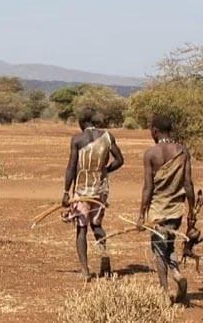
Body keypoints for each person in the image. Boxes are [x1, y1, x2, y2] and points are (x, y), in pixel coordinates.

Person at [137, 114, 195, 303]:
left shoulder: (151, 154)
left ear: (155, 130)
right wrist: (192, 210)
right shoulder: (182, 151)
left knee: (159, 250)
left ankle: (164, 292)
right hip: (176, 209)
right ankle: (177, 273)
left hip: (157, 210)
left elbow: (148, 188)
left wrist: (141, 214)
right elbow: (188, 184)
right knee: (168, 244)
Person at [61, 108, 125, 280]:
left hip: (82, 190)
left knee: (81, 229)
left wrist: (66, 192)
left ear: (81, 123)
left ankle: (85, 270)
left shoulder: (77, 139)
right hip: (100, 189)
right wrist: (104, 171)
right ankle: (104, 257)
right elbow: (120, 160)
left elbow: (71, 168)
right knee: (96, 225)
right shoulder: (107, 136)